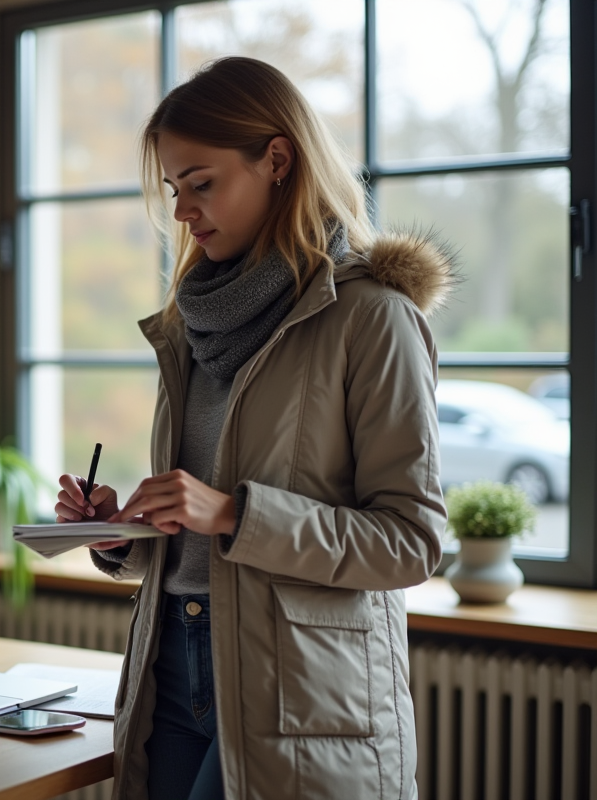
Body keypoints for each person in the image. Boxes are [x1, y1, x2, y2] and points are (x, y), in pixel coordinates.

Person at [55, 57, 452, 800]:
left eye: (201, 184)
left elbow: (412, 542)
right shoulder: (195, 323)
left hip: (300, 691)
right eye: (176, 189)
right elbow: (202, 539)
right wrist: (126, 534)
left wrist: (234, 512)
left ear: (277, 160)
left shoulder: (374, 316)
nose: (182, 211)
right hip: (168, 665)